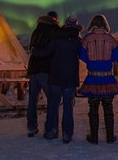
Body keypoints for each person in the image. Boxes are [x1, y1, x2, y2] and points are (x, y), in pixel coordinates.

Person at [32, 15, 83, 143]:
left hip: (56, 76)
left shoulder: (56, 39)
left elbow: (45, 53)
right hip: (70, 77)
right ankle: (67, 134)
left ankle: (50, 131)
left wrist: (34, 51)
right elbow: (83, 56)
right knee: (68, 106)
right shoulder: (78, 41)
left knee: (53, 105)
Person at [78, 14, 118, 144]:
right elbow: (116, 56)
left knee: (93, 109)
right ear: (104, 24)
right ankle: (109, 137)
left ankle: (94, 138)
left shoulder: (86, 39)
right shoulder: (111, 39)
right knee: (109, 109)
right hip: (108, 78)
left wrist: (92, 61)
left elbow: (82, 56)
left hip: (92, 79)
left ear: (93, 24)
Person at [26, 11, 59, 137]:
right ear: (55, 19)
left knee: (32, 100)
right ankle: (51, 128)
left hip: (34, 69)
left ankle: (31, 127)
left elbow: (32, 49)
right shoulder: (53, 31)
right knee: (52, 100)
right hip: (46, 69)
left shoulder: (36, 31)